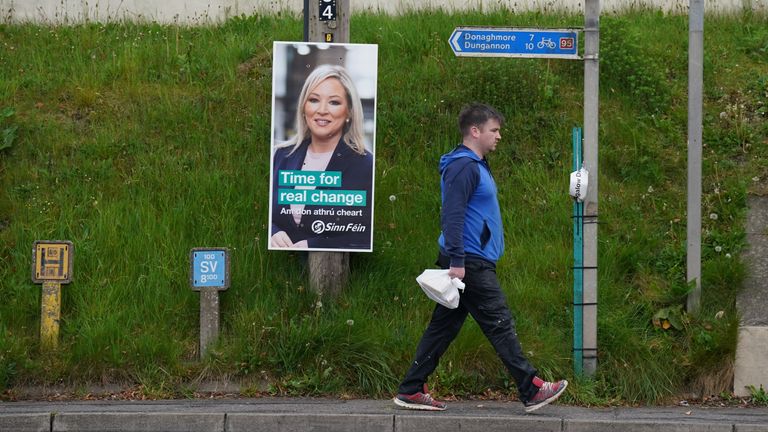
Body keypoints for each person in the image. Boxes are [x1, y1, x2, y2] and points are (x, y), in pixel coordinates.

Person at [393, 103, 568, 413]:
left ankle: (410, 389)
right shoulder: (464, 166)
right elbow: (453, 214)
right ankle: (531, 388)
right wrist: (458, 261)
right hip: (469, 261)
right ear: (475, 131)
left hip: (471, 259)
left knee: (442, 328)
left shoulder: (475, 165)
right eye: (494, 130)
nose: (499, 136)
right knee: (499, 322)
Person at [270, 64, 373, 250]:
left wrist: (314, 244)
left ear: (349, 111)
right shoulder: (281, 156)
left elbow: (365, 233)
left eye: (334, 102)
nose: (322, 110)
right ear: (303, 106)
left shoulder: (365, 165)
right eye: (314, 100)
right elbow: (266, 214)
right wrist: (272, 231)